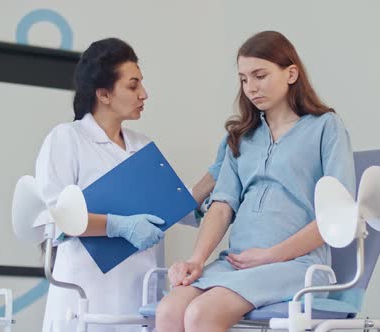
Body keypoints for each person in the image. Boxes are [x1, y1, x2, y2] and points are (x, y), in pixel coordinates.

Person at [156, 31, 356, 332]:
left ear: (291, 73)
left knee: (201, 314)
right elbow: (222, 206)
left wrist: (270, 255)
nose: (251, 87)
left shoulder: (325, 127)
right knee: (170, 309)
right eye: (244, 78)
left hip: (297, 265)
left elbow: (337, 216)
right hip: (236, 263)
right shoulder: (242, 137)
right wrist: (196, 260)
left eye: (259, 75)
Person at [34, 38, 217, 332]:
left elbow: (178, 207)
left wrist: (215, 174)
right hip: (85, 298)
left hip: (141, 293)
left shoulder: (142, 146)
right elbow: (58, 218)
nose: (144, 94)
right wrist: (118, 225)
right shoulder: (67, 139)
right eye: (133, 86)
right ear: (104, 94)